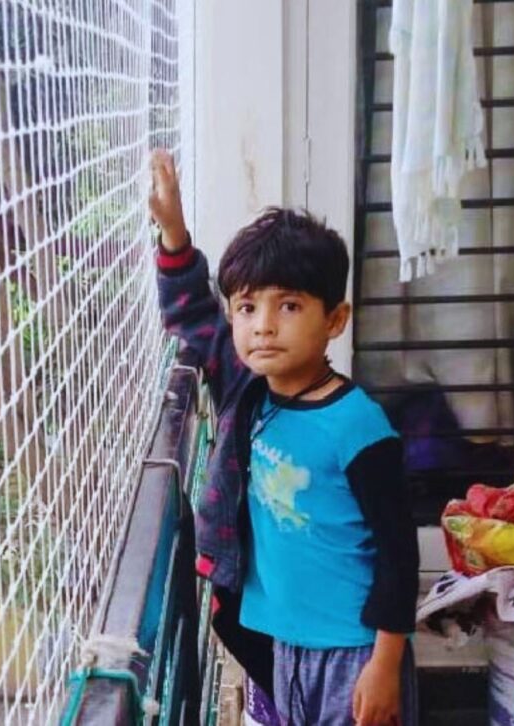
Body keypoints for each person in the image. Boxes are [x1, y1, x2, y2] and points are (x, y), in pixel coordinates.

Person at [149, 150, 420, 726]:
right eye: (247, 307)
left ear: (336, 319)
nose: (263, 324)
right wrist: (173, 234)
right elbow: (194, 312)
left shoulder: (359, 429)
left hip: (352, 653)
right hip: (272, 640)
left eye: (289, 305)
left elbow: (400, 555)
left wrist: (385, 663)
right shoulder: (247, 389)